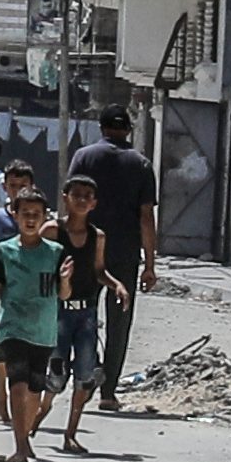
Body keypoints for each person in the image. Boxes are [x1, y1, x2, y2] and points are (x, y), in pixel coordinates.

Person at [70, 121, 160, 411]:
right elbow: (146, 216)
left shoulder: (84, 157)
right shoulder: (142, 164)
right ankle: (108, 392)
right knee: (119, 321)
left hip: (86, 247)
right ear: (130, 129)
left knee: (82, 312)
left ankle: (90, 367)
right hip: (125, 253)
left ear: (102, 127)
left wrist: (63, 244)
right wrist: (150, 264)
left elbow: (71, 203)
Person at [0, 178, 76, 462]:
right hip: (13, 327)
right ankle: (20, 446)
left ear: (44, 217)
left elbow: (64, 295)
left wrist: (65, 280)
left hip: (43, 331)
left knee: (35, 391)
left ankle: (25, 439)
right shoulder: (3, 252)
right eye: (24, 213)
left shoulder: (55, 253)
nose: (30, 219)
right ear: (15, 214)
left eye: (35, 215)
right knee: (17, 384)